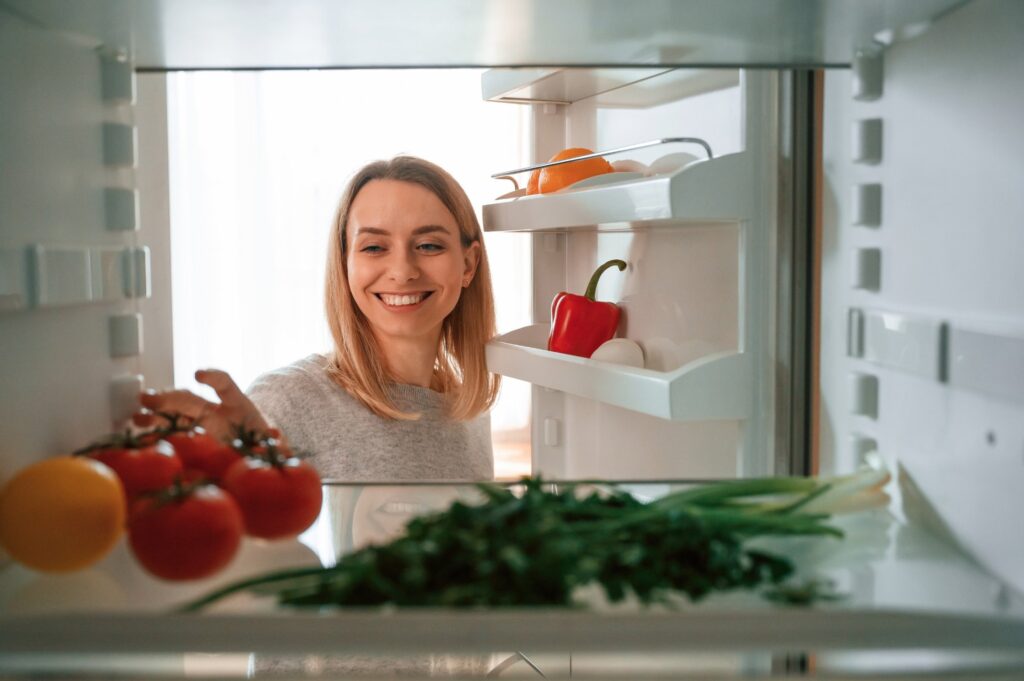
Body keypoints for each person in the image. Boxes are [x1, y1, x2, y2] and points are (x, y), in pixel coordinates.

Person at [137, 156, 500, 482]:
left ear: (468, 264)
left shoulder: (469, 414)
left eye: (429, 245)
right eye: (374, 247)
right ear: (345, 264)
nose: (402, 271)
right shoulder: (287, 401)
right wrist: (232, 465)